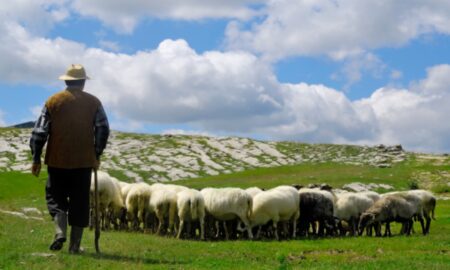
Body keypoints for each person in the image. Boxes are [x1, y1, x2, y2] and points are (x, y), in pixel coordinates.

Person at [30, 64, 110, 253]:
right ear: (83, 82)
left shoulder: (53, 101)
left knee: (55, 198)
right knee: (80, 201)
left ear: (66, 81)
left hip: (57, 160)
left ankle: (59, 232)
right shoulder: (94, 103)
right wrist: (96, 154)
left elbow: (40, 131)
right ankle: (74, 246)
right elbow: (103, 128)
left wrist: (36, 158)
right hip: (83, 162)